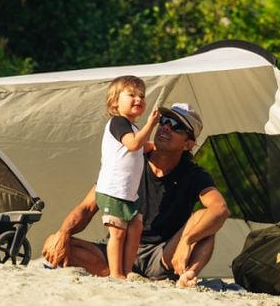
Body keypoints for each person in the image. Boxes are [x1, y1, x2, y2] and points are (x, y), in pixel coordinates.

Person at [43, 102, 230, 288]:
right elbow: (86, 208)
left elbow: (220, 209)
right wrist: (63, 233)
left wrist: (188, 240)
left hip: (163, 255)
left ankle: (188, 276)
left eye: (176, 126)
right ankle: (121, 275)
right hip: (119, 249)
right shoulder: (129, 160)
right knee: (58, 243)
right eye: (164, 120)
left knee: (205, 224)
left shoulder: (194, 174)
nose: (165, 127)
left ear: (188, 144)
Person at [95, 75, 159, 279]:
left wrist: (155, 146)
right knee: (118, 232)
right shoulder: (118, 122)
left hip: (129, 193)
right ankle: (116, 273)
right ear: (115, 102)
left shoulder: (132, 127)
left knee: (136, 228)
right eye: (131, 95)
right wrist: (151, 125)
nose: (138, 99)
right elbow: (133, 144)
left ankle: (128, 270)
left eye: (141, 96)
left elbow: (139, 147)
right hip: (113, 190)